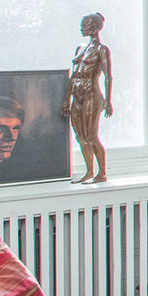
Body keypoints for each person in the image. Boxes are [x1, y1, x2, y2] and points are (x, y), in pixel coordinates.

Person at [62, 12, 113, 184]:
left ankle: (102, 173)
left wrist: (108, 100)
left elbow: (107, 76)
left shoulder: (101, 50)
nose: (81, 28)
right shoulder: (80, 48)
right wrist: (66, 99)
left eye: (85, 24)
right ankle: (89, 171)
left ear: (94, 27)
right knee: (80, 136)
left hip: (91, 94)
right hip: (76, 95)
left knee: (91, 136)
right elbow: (73, 75)